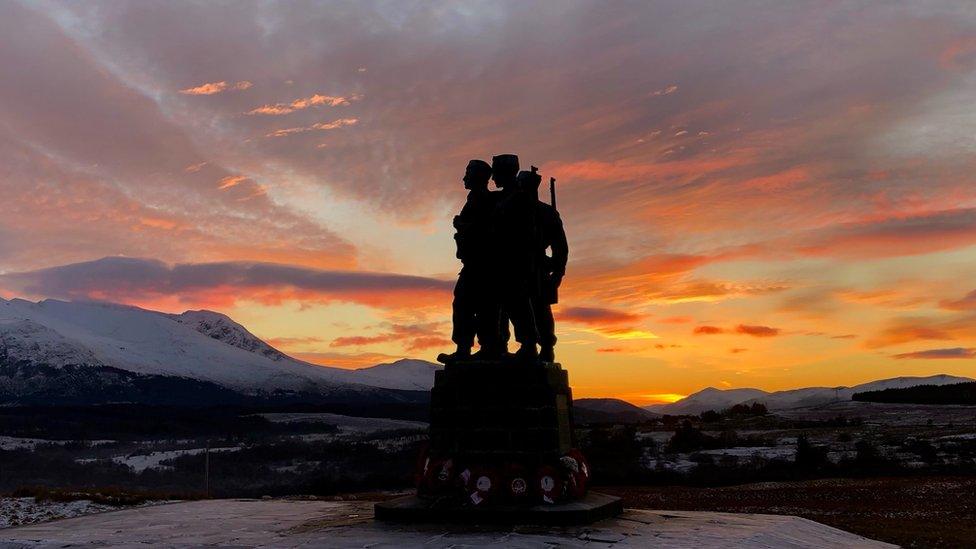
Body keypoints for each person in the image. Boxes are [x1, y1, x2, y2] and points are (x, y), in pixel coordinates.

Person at [438, 159, 497, 363]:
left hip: (482, 264)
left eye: (468, 174)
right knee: (466, 304)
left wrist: (462, 225)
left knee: (473, 304)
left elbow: (485, 230)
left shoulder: (484, 200)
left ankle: (475, 348)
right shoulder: (475, 199)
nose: (464, 178)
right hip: (473, 263)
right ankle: (467, 348)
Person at [491, 155, 539, 362]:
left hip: (515, 260)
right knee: (500, 304)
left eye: (496, 171)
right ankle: (499, 344)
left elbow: (526, 233)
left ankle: (529, 345)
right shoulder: (499, 198)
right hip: (500, 259)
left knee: (517, 303)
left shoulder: (521, 199)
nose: (493, 177)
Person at [517, 169, 568, 363]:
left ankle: (547, 347)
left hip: (537, 267)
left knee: (540, 309)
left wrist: (558, 273)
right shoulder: (514, 210)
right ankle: (527, 345)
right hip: (516, 266)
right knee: (519, 309)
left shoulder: (547, 213)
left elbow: (560, 248)